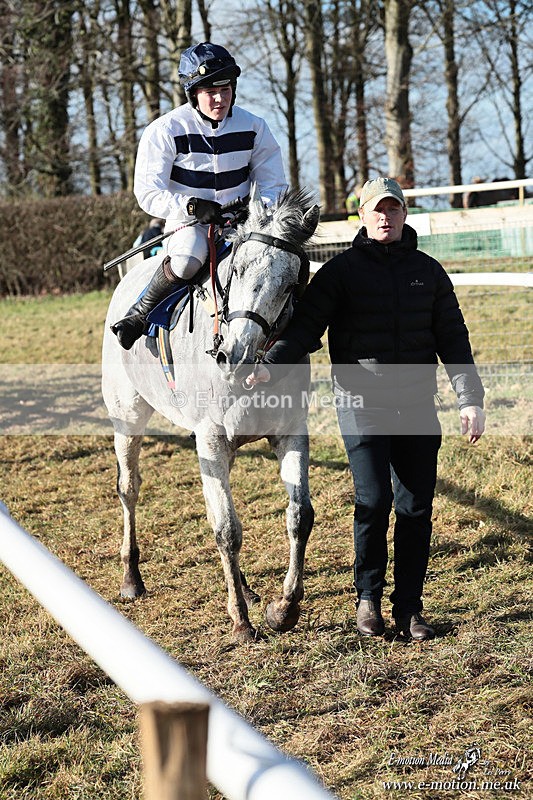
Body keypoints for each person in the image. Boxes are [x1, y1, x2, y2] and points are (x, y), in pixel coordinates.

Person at [246, 176, 486, 641]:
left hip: (418, 404)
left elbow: (454, 338)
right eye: (377, 209)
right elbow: (305, 328)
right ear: (361, 215)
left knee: (416, 509)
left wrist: (470, 398)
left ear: (404, 215)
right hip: (361, 404)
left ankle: (410, 609)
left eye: (393, 209)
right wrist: (270, 366)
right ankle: (367, 600)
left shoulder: (429, 272)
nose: (385, 216)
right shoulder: (340, 273)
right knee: (373, 501)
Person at [112, 42, 288, 349]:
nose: (220, 98)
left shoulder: (255, 127)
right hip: (188, 226)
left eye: (226, 89)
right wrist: (191, 206)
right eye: (210, 91)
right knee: (188, 260)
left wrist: (261, 212)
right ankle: (139, 315)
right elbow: (147, 192)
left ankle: (294, 333)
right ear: (193, 93)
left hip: (241, 226)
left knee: (277, 263)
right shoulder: (165, 130)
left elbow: (274, 184)